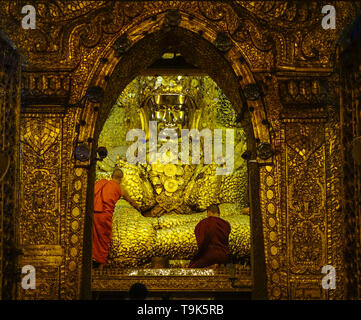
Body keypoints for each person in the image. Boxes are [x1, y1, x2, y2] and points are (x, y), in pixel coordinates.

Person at [92, 168, 123, 270]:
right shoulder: (118, 188)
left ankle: (92, 260)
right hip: (105, 216)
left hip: (94, 213)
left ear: (111, 176)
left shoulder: (101, 183)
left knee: (94, 237)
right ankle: (101, 264)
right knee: (105, 238)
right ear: (121, 179)